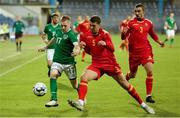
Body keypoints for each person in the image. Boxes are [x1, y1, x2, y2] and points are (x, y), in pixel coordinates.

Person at [68, 15, 155, 114]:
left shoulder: (105, 34)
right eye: (90, 25)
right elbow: (90, 51)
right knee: (84, 77)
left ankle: (144, 105)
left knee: (125, 84)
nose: (91, 28)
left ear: (99, 25)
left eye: (94, 26)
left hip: (110, 64)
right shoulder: (85, 35)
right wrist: (83, 47)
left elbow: (112, 48)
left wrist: (105, 44)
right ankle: (80, 102)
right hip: (97, 64)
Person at [122, 3, 164, 103]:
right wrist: (123, 32)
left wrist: (159, 42)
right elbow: (123, 37)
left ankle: (148, 95)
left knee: (149, 70)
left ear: (143, 12)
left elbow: (152, 34)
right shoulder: (130, 23)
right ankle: (125, 78)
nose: (137, 13)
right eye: (135, 11)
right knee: (133, 74)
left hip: (145, 50)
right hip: (133, 53)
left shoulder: (149, 23)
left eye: (139, 11)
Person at [39, 15, 80, 107]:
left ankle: (82, 98)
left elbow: (77, 46)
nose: (63, 27)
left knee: (75, 85)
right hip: (57, 61)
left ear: (69, 24)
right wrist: (45, 47)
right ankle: (54, 99)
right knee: (52, 74)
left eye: (65, 25)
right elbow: (53, 39)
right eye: (62, 25)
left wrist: (76, 52)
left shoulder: (71, 35)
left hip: (69, 63)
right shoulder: (58, 31)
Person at [41, 13, 60, 77]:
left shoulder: (60, 27)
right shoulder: (47, 26)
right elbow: (43, 35)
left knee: (56, 64)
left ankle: (54, 73)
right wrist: (45, 40)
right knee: (49, 64)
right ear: (52, 18)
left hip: (58, 48)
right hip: (50, 48)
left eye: (57, 18)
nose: (56, 19)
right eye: (55, 18)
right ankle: (50, 69)